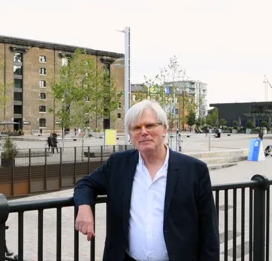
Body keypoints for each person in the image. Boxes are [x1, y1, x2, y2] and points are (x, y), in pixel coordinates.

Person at [73, 99, 219, 261]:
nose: (143, 132)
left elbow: (209, 232)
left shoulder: (194, 170)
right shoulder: (119, 164)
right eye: (136, 127)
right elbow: (86, 184)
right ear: (130, 135)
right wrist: (85, 207)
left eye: (149, 125)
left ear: (165, 129)